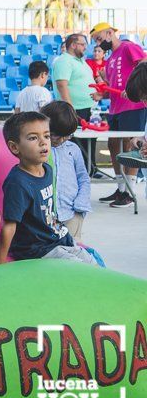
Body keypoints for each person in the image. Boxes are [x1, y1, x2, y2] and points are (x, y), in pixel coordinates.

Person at [0, 112, 96, 264]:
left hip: (57, 238)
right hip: (37, 248)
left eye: (47, 136)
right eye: (33, 138)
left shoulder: (47, 170)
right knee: (81, 270)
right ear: (15, 147)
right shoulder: (17, 182)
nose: (43, 142)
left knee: (92, 262)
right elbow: (9, 226)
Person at [90, 23, 147, 208]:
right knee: (113, 143)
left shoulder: (128, 46)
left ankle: (129, 191)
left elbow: (143, 66)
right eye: (95, 41)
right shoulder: (111, 57)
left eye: (99, 38)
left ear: (110, 33)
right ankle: (121, 189)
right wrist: (102, 93)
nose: (98, 43)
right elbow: (113, 86)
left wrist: (133, 89)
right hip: (115, 108)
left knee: (133, 143)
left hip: (132, 105)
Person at [40, 101, 91, 240]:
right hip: (45, 217)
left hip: (71, 214)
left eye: (67, 135)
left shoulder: (73, 149)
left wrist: (80, 205)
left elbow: (83, 178)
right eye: (56, 134)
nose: (62, 140)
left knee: (73, 250)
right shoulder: (39, 150)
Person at [51, 33, 98, 173]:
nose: (86, 48)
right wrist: (70, 108)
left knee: (88, 142)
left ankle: (89, 169)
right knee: (73, 144)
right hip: (73, 110)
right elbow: (61, 84)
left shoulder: (81, 61)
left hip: (86, 108)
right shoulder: (64, 61)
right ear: (73, 45)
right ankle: (74, 172)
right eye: (83, 44)